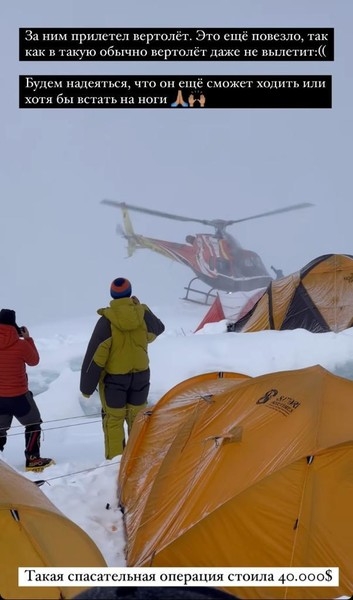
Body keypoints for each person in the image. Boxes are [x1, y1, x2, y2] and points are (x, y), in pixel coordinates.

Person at [80, 278, 165, 459]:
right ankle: (137, 461)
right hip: (141, 377)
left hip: (115, 381)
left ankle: (116, 466)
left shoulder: (106, 322)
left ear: (112, 295)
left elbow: (94, 357)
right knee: (137, 419)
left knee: (114, 422)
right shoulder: (141, 315)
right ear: (130, 292)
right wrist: (140, 306)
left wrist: (86, 387)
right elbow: (158, 328)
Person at [0, 309, 54, 472]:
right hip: (20, 397)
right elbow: (34, 361)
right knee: (33, 424)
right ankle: (33, 459)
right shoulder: (21, 344)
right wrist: (28, 339)